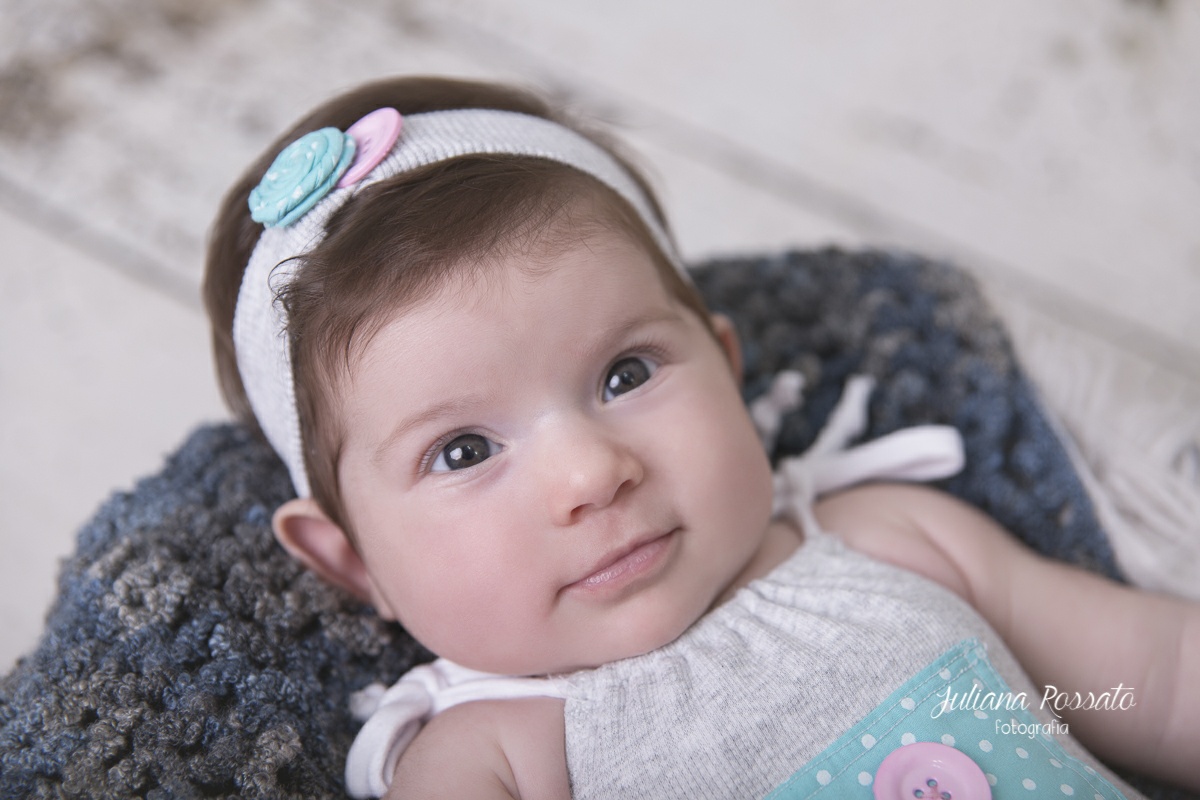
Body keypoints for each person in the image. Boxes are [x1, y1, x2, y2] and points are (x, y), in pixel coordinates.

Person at [203, 76, 1198, 799]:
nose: (591, 473)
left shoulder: (890, 540)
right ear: (352, 559)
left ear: (727, 365)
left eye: (626, 374)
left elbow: (1153, 683)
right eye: (463, 450)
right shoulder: (492, 759)